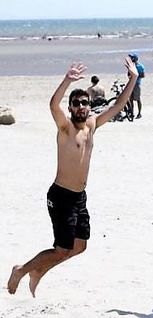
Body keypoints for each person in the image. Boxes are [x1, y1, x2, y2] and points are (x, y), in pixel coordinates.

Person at [7, 57, 138, 297]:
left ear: (89, 106)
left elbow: (119, 106)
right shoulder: (65, 128)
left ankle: (39, 271)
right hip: (61, 196)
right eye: (76, 103)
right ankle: (22, 270)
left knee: (79, 247)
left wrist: (134, 78)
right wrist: (67, 80)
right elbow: (52, 104)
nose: (80, 106)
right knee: (61, 249)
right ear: (70, 108)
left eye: (84, 103)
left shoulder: (92, 124)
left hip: (79, 197)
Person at [128, 52, 145, 119]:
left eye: (131, 58)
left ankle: (139, 113)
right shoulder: (130, 66)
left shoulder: (140, 66)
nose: (130, 59)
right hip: (131, 83)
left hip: (137, 84)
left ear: (135, 59)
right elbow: (128, 74)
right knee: (130, 99)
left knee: (138, 99)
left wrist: (136, 76)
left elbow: (143, 75)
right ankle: (132, 113)